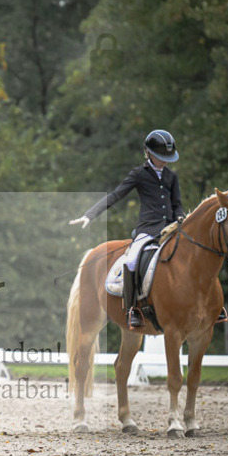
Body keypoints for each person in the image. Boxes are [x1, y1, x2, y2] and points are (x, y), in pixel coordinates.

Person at [69, 129, 184, 328]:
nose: (164, 161)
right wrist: (90, 214)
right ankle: (133, 309)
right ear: (148, 153)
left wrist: (181, 216)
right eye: (160, 157)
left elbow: (177, 203)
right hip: (147, 229)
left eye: (167, 157)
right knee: (131, 260)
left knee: (195, 252)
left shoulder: (171, 176)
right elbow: (116, 195)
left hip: (171, 228)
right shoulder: (139, 174)